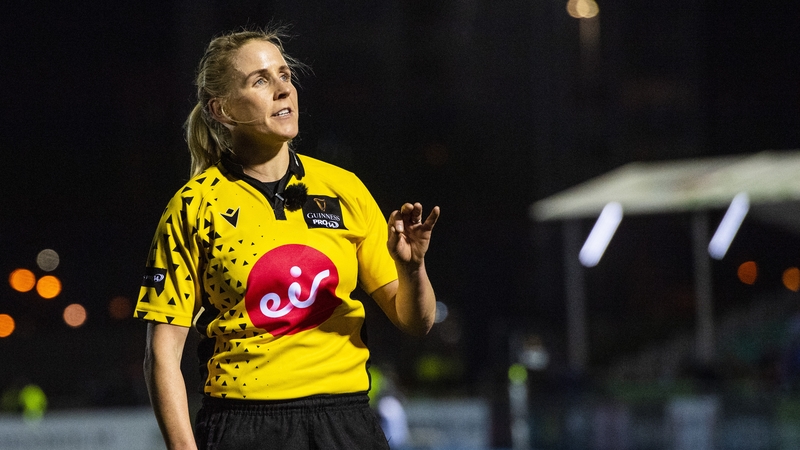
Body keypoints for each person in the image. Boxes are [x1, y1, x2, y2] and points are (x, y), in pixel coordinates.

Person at [134, 27, 440, 450]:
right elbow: (162, 354)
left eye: (285, 76)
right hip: (244, 427)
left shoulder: (343, 188)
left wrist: (412, 269)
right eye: (260, 80)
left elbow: (415, 321)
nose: (283, 90)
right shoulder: (194, 206)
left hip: (344, 424)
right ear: (221, 109)